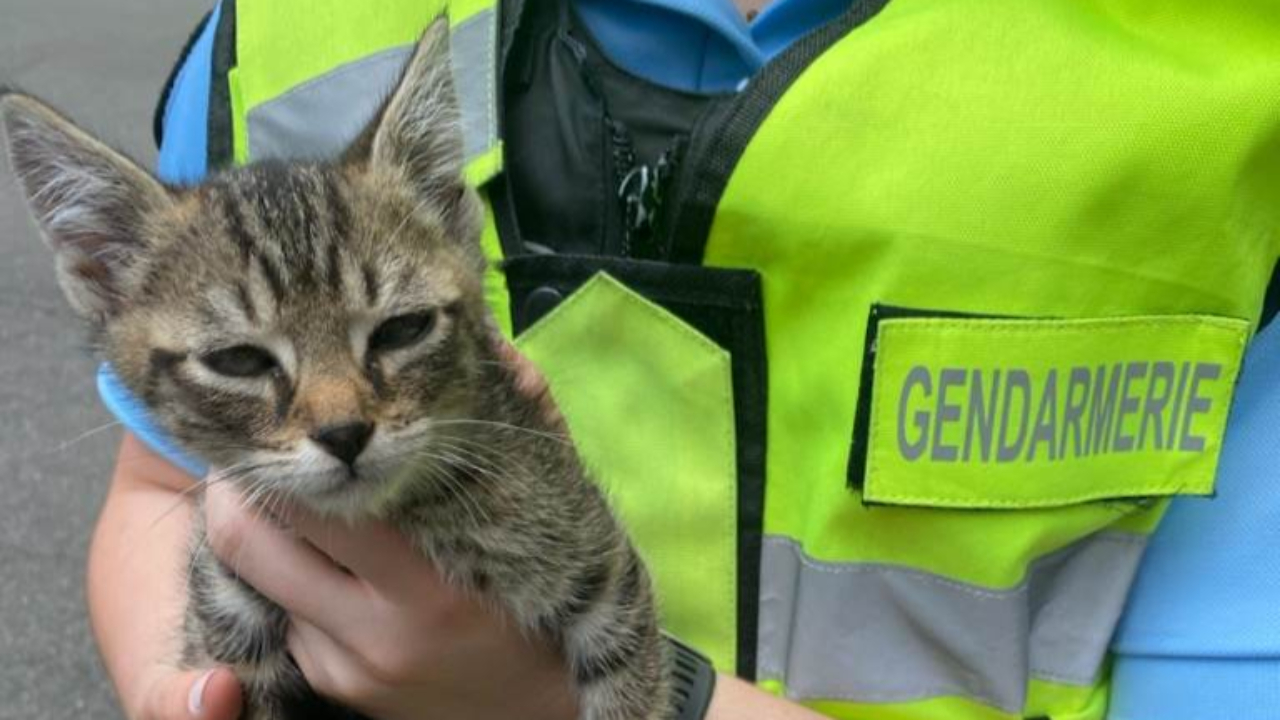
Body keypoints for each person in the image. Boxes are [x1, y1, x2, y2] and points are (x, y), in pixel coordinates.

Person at [86, 1, 1280, 719]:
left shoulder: (1212, 80)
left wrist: (561, 702)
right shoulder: (293, 27)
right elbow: (156, 486)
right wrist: (184, 687)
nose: (337, 411)